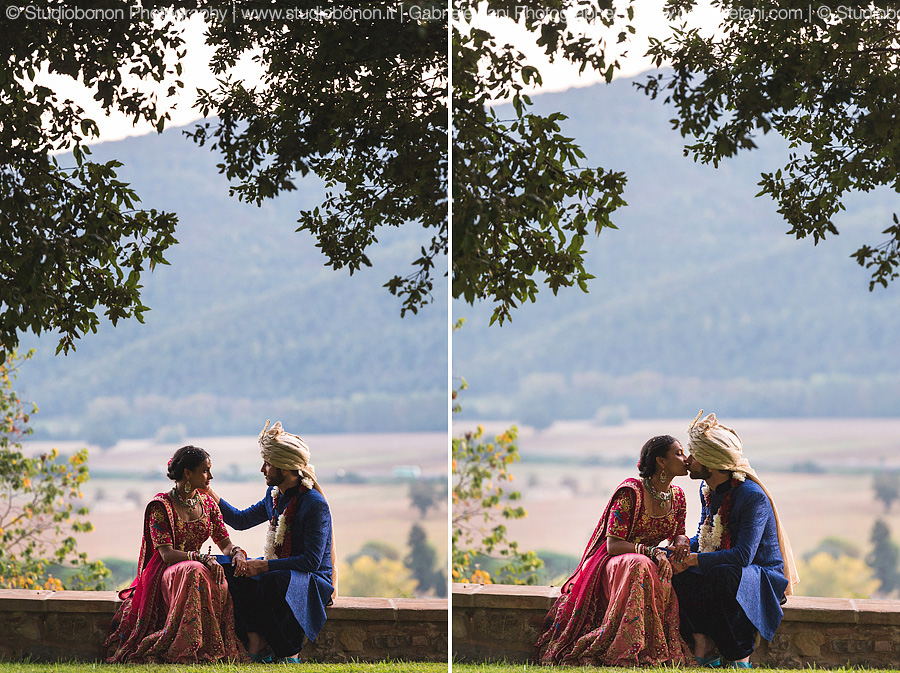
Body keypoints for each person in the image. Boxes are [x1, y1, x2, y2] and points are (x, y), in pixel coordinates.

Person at [534, 435, 695, 666]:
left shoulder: (677, 496)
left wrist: (681, 541)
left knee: (664, 566)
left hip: (647, 561)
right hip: (617, 562)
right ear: (661, 461)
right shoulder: (631, 492)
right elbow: (613, 544)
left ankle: (651, 647)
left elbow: (678, 531)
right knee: (640, 564)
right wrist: (652, 552)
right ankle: (625, 649)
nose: (686, 459)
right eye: (678, 453)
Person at [671, 411, 800, 668]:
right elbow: (705, 536)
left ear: (710, 464)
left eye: (694, 455)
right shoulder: (708, 489)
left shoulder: (751, 496)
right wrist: (676, 552)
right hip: (726, 567)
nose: (689, 460)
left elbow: (743, 556)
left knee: (721, 576)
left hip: (760, 574)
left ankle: (740, 656)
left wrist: (693, 560)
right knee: (680, 574)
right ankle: (703, 644)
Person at [203, 420, 335, 663]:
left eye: (268, 464)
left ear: (285, 468)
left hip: (311, 579)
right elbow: (241, 520)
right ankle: (256, 640)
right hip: (279, 570)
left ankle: (289, 651)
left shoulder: (314, 504)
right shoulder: (273, 495)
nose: (262, 469)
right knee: (230, 569)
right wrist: (208, 492)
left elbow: (311, 562)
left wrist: (263, 566)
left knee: (270, 582)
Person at [103, 445, 248, 663]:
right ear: (188, 473)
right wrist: (200, 558)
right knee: (194, 571)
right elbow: (166, 554)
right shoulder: (161, 506)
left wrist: (237, 553)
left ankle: (206, 648)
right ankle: (184, 649)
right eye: (205, 471)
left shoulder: (208, 504)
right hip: (169, 572)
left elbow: (225, 543)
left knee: (214, 579)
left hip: (196, 569)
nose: (210, 476)